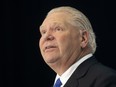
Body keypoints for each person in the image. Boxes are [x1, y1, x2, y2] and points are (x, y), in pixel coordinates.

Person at [39, 6, 116, 87]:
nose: (46, 37)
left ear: (83, 38)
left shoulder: (105, 81)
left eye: (58, 29)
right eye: (43, 32)